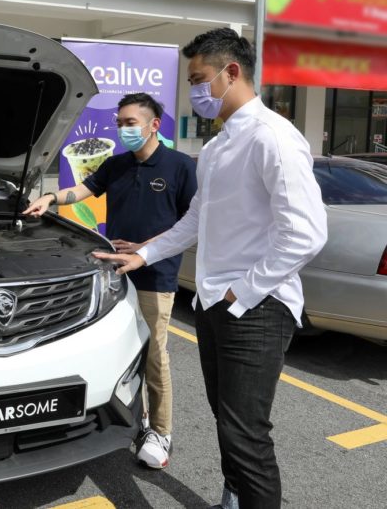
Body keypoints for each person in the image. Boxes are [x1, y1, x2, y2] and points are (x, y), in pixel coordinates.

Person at [94, 28, 327, 509]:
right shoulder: (219, 146)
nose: (195, 91)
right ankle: (233, 498)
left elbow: (305, 233)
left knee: (247, 435)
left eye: (199, 79)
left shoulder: (272, 137)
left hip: (256, 307)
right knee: (227, 422)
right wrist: (143, 254)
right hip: (215, 302)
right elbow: (195, 220)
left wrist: (243, 291)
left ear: (231, 72)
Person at [24, 92, 196, 470]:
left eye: (130, 123)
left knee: (154, 356)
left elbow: (190, 224)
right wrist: (50, 198)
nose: (123, 129)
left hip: (155, 276)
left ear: (153, 125)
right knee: (120, 351)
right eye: (119, 123)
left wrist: (146, 248)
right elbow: (82, 189)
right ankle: (131, 417)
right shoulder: (116, 164)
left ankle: (161, 431)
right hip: (113, 275)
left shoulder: (181, 167)